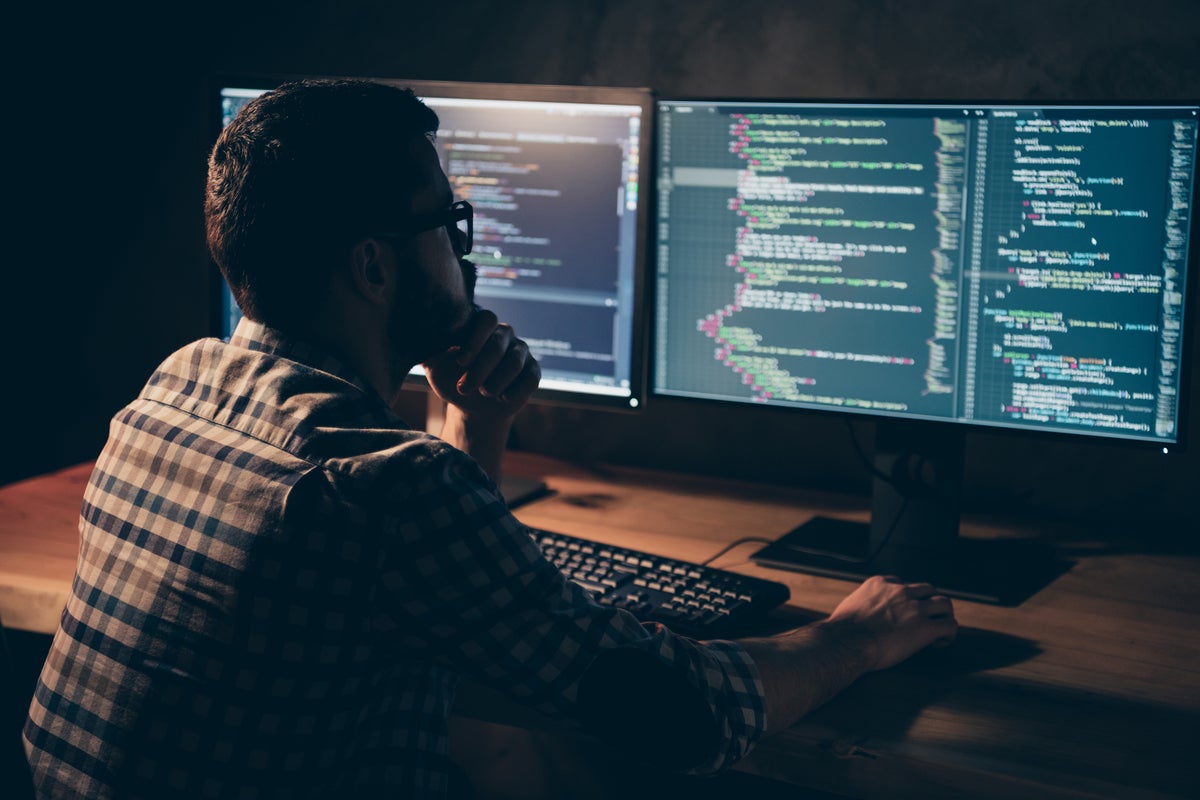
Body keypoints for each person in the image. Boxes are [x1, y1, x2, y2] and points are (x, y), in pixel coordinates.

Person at [23, 78, 957, 799]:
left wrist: (470, 427)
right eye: (448, 223)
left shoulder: (172, 388)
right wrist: (856, 637)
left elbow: (429, 612)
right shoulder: (387, 489)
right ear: (373, 266)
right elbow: (688, 716)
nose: (466, 252)